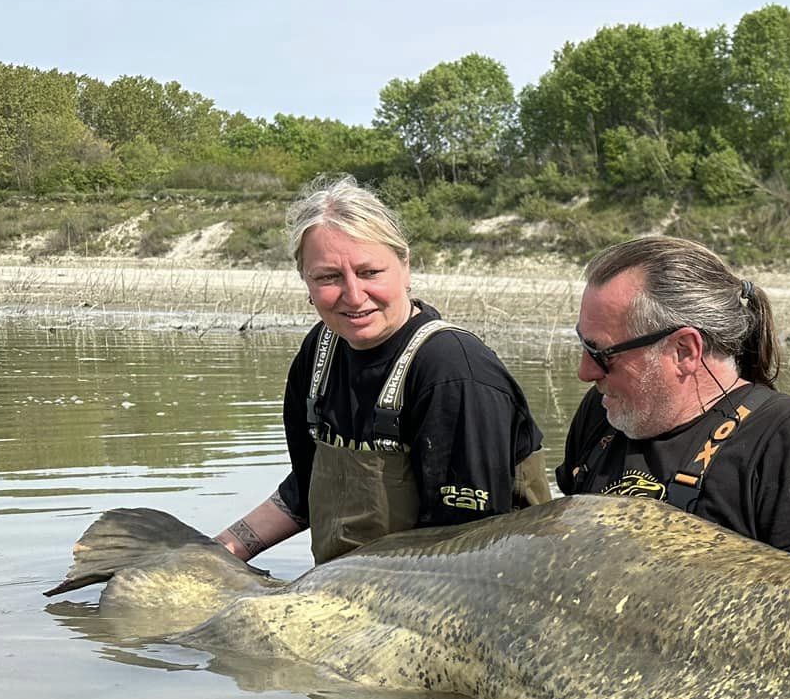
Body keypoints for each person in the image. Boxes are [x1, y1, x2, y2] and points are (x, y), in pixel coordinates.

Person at [215, 175, 549, 565]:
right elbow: (305, 490)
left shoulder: (454, 371)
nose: (354, 296)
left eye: (370, 272)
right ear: (305, 281)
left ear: (405, 267)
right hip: (349, 587)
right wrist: (218, 554)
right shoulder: (319, 351)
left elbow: (468, 546)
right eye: (328, 277)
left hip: (467, 585)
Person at [556, 236, 790, 566]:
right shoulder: (602, 413)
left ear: (684, 351)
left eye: (600, 354)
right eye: (582, 342)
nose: (585, 372)